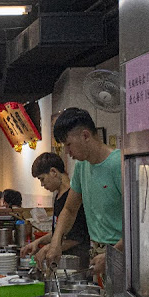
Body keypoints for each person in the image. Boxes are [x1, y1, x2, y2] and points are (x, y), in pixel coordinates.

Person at [43, 108, 123, 277]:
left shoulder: (118, 164)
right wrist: (56, 242)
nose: (67, 152)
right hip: (96, 251)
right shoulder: (82, 165)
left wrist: (112, 254)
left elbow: (138, 223)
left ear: (85, 136)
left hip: (121, 251)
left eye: (68, 145)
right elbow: (69, 209)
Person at [20, 152, 91, 270]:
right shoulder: (58, 196)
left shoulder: (73, 196)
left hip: (76, 263)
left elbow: (76, 238)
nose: (42, 184)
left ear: (53, 172)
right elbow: (60, 232)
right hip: (61, 262)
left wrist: (49, 248)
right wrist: (38, 242)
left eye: (42, 179)